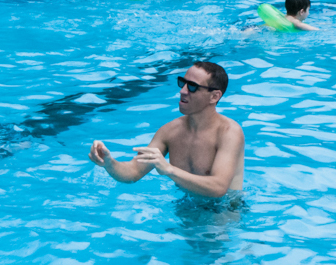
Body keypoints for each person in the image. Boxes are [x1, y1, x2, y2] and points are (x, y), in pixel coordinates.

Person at [88, 62, 244, 198]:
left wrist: (170, 169)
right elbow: (133, 172)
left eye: (192, 86)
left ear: (214, 96)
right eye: (182, 83)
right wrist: (109, 163)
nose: (183, 91)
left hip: (223, 212)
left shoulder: (229, 132)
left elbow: (218, 188)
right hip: (185, 207)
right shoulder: (170, 131)